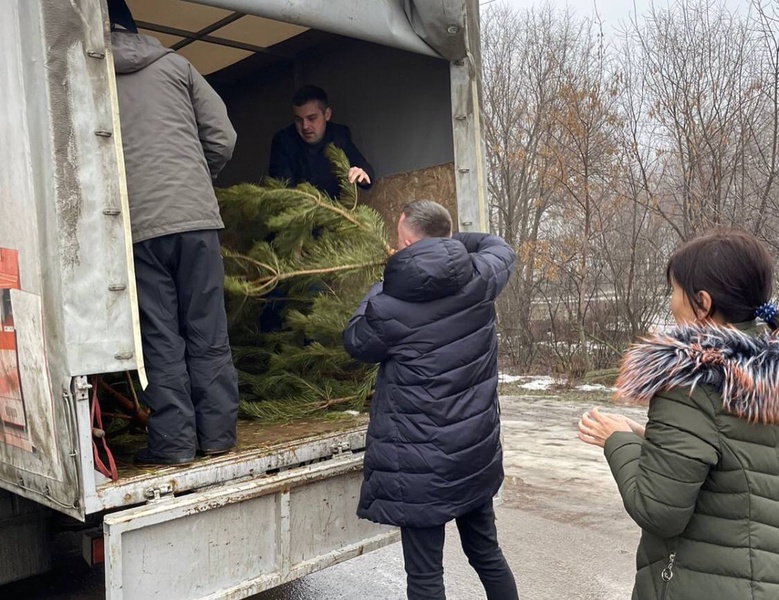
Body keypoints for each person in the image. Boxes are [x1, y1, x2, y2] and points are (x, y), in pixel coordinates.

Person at [578, 229, 779, 600]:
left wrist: (616, 440)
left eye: (674, 290)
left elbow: (658, 510)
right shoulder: (765, 373)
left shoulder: (693, 383)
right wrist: (646, 436)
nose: (671, 303)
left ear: (702, 303)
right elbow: (739, 459)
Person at [343, 200, 519, 600]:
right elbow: (499, 246)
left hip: (419, 464)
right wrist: (450, 242)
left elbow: (355, 339)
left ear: (405, 242)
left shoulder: (388, 304)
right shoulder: (479, 278)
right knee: (486, 553)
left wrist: (382, 283)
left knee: (425, 576)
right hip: (473, 451)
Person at [109, 0, 240, 465]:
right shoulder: (177, 65)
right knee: (207, 329)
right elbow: (223, 137)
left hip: (139, 229)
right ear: (134, 26)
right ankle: (219, 436)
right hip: (197, 221)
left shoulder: (91, 76)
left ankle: (174, 447)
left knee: (160, 335)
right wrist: (195, 182)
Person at [269, 85, 375, 199]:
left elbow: (363, 168)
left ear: (327, 114)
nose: (305, 126)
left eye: (312, 118)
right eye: (298, 120)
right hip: (299, 211)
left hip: (338, 209)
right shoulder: (283, 141)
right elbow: (284, 190)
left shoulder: (339, 135)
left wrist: (362, 175)